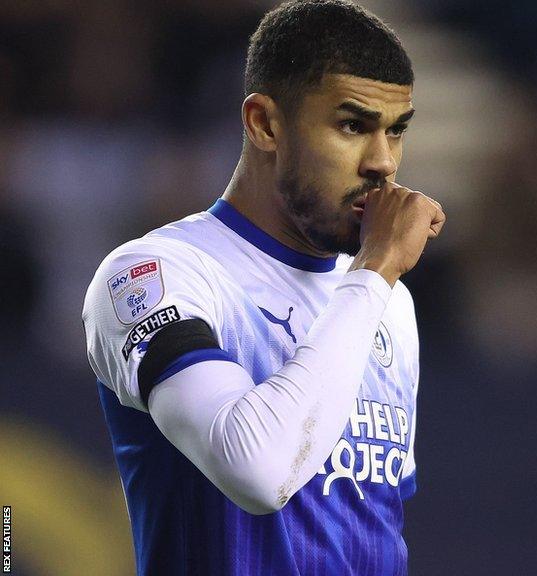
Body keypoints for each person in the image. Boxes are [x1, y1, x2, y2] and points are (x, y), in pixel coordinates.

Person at [81, 1, 444, 574]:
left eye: (395, 131)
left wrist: (375, 281)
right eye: (353, 125)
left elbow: (374, 526)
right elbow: (257, 469)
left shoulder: (389, 303)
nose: (383, 162)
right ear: (264, 123)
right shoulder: (158, 274)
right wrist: (374, 272)